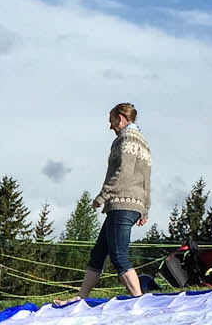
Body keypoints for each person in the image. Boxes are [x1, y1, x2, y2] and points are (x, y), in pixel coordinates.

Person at [56, 103, 151, 306]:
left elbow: (123, 172)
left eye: (111, 121)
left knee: (118, 255)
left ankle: (139, 301)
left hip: (122, 202)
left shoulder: (126, 139)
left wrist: (102, 196)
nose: (110, 126)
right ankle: (81, 297)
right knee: (98, 253)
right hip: (132, 204)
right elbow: (146, 178)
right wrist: (145, 208)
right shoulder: (143, 142)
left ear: (120, 118)